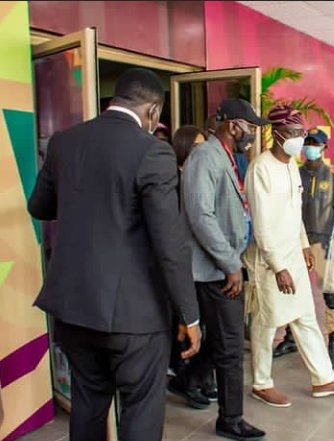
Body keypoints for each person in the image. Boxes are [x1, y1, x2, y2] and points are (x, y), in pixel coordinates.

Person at [28, 68, 202, 441]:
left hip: (74, 308)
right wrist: (190, 314)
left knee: (88, 404)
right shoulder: (153, 151)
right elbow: (170, 245)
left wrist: (81, 201)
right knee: (141, 409)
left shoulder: (64, 142)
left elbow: (38, 206)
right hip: (134, 315)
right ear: (153, 111)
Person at [244, 104, 334, 408]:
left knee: (305, 316)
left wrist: (305, 245)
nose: (298, 138)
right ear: (277, 133)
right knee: (267, 321)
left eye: (301, 132)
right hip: (269, 261)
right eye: (293, 132)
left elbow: (295, 214)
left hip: (293, 253)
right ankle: (261, 383)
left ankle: (323, 379)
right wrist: (278, 266)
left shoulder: (290, 167)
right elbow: (261, 223)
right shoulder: (261, 168)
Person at [182, 98, 266, 440]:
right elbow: (200, 215)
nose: (253, 135)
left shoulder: (227, 157)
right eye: (251, 128)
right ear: (233, 125)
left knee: (220, 338)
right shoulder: (205, 156)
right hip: (215, 271)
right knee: (231, 347)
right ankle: (230, 419)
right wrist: (231, 264)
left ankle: (190, 380)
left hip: (225, 265)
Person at [168, 124, 218, 409]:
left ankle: (200, 378)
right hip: (182, 263)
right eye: (197, 147)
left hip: (201, 264)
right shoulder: (173, 181)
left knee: (206, 326)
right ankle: (186, 379)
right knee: (188, 323)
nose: (203, 153)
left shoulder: (200, 177)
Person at [299, 128, 334, 368]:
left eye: (315, 143)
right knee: (294, 291)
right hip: (297, 241)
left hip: (323, 242)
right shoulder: (294, 174)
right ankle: (290, 337)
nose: (310, 147)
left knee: (330, 292)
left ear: (324, 147)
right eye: (308, 142)